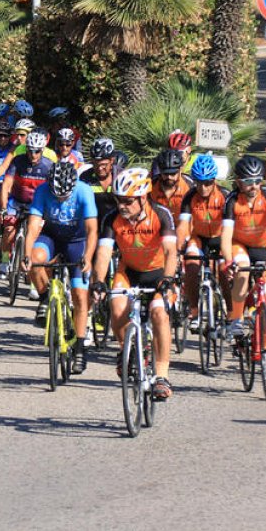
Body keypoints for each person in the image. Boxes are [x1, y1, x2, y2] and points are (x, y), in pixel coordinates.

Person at [91, 168, 178, 400]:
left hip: (159, 274)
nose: (122, 206)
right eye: (118, 200)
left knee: (159, 312)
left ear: (143, 198)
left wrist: (168, 279)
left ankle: (161, 375)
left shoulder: (161, 215)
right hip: (129, 271)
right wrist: (98, 281)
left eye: (128, 201)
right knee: (117, 305)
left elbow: (171, 252)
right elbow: (104, 252)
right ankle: (125, 350)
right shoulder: (112, 218)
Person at [222, 156, 266, 373]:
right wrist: (228, 262)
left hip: (264, 247)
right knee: (242, 273)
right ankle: (236, 318)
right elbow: (226, 235)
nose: (253, 186)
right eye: (247, 181)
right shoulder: (232, 201)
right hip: (240, 244)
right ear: (238, 182)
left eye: (257, 180)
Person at [25, 160, 98, 371]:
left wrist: (89, 256)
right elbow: (32, 228)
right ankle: (46, 297)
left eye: (64, 195)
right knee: (36, 259)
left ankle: (81, 348)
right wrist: (26, 255)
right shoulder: (42, 191)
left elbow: (92, 230)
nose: (60, 198)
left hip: (77, 242)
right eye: (56, 195)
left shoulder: (84, 191)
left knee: (80, 294)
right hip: (52, 237)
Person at [177, 154, 229, 330]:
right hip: (199, 238)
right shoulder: (189, 197)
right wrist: (178, 248)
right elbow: (183, 225)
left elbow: (232, 226)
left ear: (214, 180)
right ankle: (194, 312)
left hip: (221, 238)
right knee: (191, 266)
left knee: (223, 272)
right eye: (198, 182)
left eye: (207, 183)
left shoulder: (225, 196)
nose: (203, 187)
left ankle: (231, 314)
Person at [0, 129, 56, 281]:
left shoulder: (49, 166)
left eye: (37, 151)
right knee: (9, 230)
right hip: (16, 201)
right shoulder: (18, 161)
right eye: (30, 151)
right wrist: (4, 208)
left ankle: (31, 270)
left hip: (37, 206)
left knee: (35, 235)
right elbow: (6, 185)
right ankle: (5, 260)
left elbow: (53, 192)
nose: (34, 155)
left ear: (42, 150)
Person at [150, 149, 191, 220]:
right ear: (160, 170)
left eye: (172, 173)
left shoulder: (190, 185)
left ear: (180, 170)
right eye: (165, 173)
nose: (169, 177)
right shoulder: (150, 186)